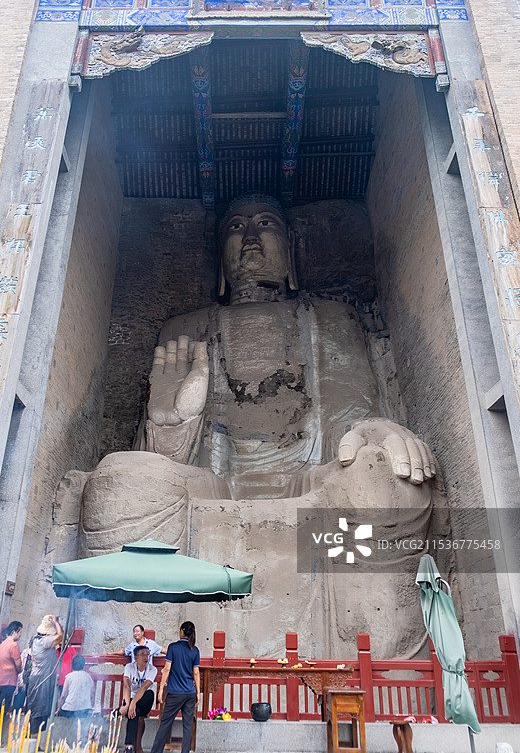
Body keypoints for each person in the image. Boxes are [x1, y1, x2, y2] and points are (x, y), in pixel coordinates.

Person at [79, 195, 439, 658]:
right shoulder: (183, 330)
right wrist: (170, 426)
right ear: (220, 265)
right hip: (213, 484)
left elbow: (348, 424)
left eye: (266, 223)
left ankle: (365, 653)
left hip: (308, 480)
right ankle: (146, 651)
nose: (250, 237)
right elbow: (162, 467)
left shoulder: (332, 319)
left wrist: (374, 432)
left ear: (291, 251)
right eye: (235, 228)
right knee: (117, 482)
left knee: (389, 480)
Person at [150, 622, 199, 753]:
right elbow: (196, 673)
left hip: (175, 693)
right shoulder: (195, 650)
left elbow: (166, 669)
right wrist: (198, 693)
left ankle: (156, 751)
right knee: (187, 726)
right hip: (189, 693)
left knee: (165, 724)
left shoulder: (173, 647)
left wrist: (160, 690)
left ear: (182, 631)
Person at [26, 615, 63, 735]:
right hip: (41, 680)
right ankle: (32, 743)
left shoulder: (36, 640)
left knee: (38, 711)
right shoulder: (44, 641)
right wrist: (56, 623)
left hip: (39, 679)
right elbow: (61, 636)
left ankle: (33, 742)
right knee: (38, 711)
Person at [119, 646, 157, 753]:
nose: (146, 657)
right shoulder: (129, 667)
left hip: (144, 699)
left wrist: (132, 703)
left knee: (150, 693)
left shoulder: (152, 669)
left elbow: (144, 687)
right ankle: (132, 746)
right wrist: (127, 704)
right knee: (135, 712)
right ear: (135, 657)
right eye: (143, 654)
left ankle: (129, 746)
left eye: (148, 654)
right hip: (129, 698)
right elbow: (127, 686)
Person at [0, 621, 23, 710]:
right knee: (3, 710)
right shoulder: (13, 645)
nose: (20, 634)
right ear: (14, 632)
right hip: (8, 683)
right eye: (20, 632)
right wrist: (19, 670)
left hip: (1, 681)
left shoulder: (2, 644)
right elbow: (18, 665)